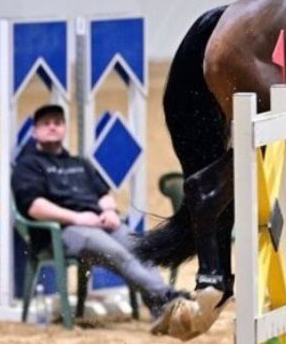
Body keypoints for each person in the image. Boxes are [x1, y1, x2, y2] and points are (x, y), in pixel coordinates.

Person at [10, 103, 187, 321]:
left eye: (57, 123)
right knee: (118, 254)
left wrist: (110, 211)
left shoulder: (79, 163)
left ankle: (160, 305)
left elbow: (102, 193)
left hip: (99, 223)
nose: (52, 127)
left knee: (142, 248)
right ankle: (165, 296)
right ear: (35, 131)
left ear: (65, 128)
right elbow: (35, 207)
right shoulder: (28, 166)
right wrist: (77, 217)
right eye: (46, 124)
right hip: (63, 231)